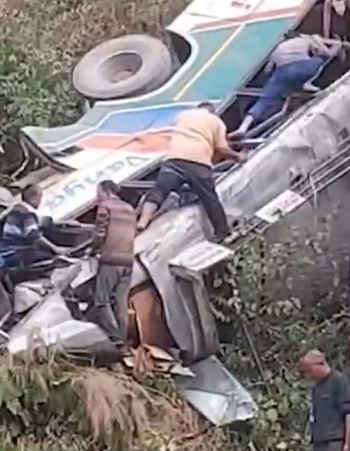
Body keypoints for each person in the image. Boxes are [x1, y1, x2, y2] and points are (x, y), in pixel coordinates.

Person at [137, 102, 244, 240]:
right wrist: (238, 157)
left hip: (173, 159)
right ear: (212, 111)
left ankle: (143, 221)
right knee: (210, 199)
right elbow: (221, 149)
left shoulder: (182, 116)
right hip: (198, 162)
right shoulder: (215, 121)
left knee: (159, 191)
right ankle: (223, 233)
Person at [232, 32, 342, 136]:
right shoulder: (305, 40)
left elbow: (267, 70)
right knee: (319, 61)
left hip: (281, 72)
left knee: (263, 102)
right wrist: (326, 46)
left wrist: (271, 83)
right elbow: (327, 51)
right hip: (302, 67)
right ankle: (307, 83)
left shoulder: (277, 50)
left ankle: (243, 128)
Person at [88, 180, 137, 346]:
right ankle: (122, 338)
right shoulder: (130, 209)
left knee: (102, 300)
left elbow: (100, 233)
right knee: (121, 302)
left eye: (98, 193)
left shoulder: (105, 207)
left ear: (105, 191)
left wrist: (93, 249)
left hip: (110, 260)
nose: (96, 197)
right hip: (128, 261)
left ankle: (115, 338)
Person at [299, 350, 350, 451]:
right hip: (319, 441)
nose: (310, 375)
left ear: (320, 363)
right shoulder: (316, 387)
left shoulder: (338, 381)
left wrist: (347, 442)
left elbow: (349, 414)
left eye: (310, 370)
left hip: (334, 441)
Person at [2, 185, 69, 263]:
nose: (40, 201)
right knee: (55, 259)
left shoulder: (18, 209)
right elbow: (32, 234)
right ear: (34, 198)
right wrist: (55, 248)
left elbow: (41, 221)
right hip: (19, 252)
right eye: (40, 198)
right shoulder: (27, 213)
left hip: (9, 250)